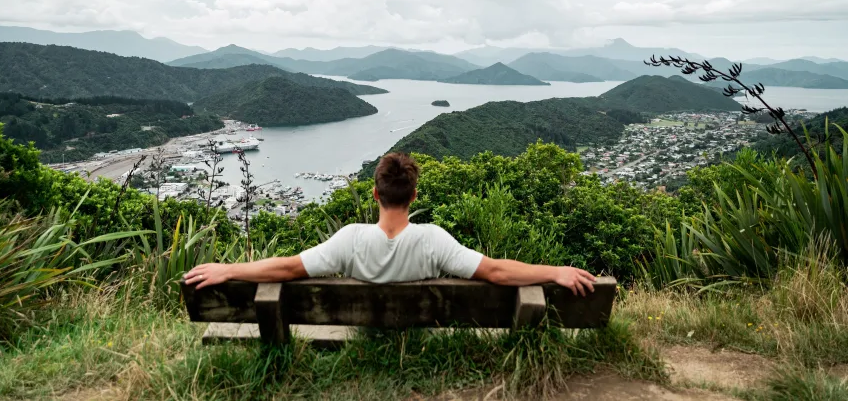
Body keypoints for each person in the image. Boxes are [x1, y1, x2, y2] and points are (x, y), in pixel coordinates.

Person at [184, 152, 596, 295]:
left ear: (375, 194)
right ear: (414, 196)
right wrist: (554, 272)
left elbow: (288, 267)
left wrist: (230, 269)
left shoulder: (349, 240)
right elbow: (497, 271)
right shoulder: (434, 241)